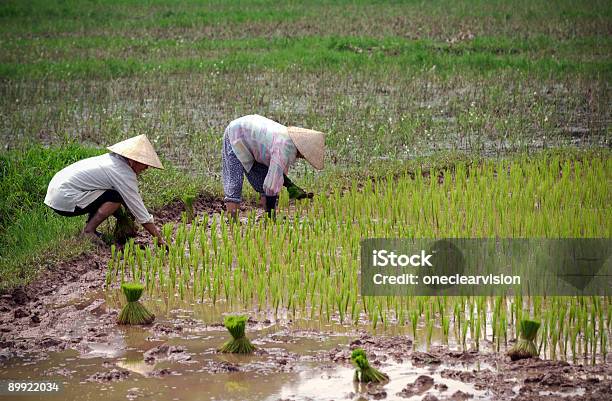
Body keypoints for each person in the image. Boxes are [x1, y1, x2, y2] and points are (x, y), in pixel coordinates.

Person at [44, 134, 166, 246]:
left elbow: (131, 204)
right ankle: (88, 232)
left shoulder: (112, 160)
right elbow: (139, 211)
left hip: (56, 193)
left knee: (115, 196)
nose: (147, 167)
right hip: (64, 198)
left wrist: (126, 219)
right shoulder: (123, 172)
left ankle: (96, 230)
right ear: (134, 160)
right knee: (115, 197)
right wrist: (159, 239)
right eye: (145, 163)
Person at [222, 114, 325, 218]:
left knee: (263, 179)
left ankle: (267, 218)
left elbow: (275, 171)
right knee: (235, 182)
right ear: (303, 150)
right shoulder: (285, 149)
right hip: (236, 133)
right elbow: (271, 187)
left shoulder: (288, 140)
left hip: (251, 138)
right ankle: (232, 222)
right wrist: (272, 215)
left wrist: (290, 186)